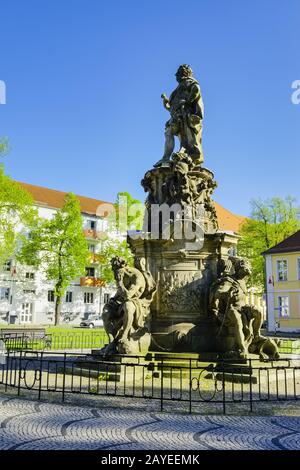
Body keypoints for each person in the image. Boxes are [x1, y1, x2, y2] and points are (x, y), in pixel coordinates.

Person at [155, 64, 204, 167]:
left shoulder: (189, 82)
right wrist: (166, 102)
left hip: (185, 114)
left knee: (187, 137)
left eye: (178, 73)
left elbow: (196, 89)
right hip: (176, 116)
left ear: (184, 73)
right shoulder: (178, 89)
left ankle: (189, 155)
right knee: (169, 132)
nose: (176, 75)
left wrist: (187, 101)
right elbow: (171, 107)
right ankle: (166, 158)